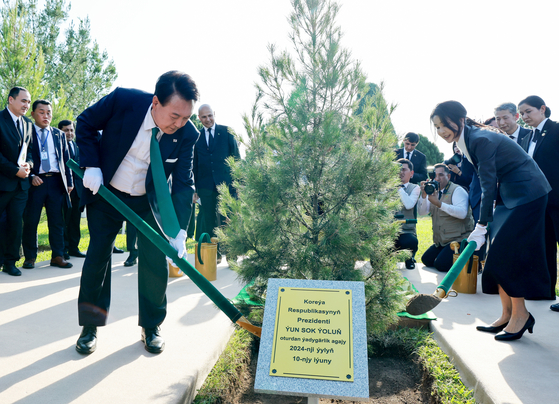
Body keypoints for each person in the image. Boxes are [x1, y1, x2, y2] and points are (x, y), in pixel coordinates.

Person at [75, 71, 200, 355]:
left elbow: (183, 183)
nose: (179, 124)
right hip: (107, 192)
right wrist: (91, 164)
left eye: (185, 118)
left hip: (147, 201)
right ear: (156, 102)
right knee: (97, 257)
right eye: (174, 116)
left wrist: (179, 230)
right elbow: (85, 123)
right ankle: (90, 327)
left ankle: (152, 326)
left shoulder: (187, 134)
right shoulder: (124, 101)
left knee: (155, 261)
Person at [432, 100, 551, 341]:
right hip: (510, 196)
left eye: (444, 124)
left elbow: (488, 184)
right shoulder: (465, 140)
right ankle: (507, 313)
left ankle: (521, 314)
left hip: (528, 193)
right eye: (436, 127)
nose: (441, 130)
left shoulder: (479, 140)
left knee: (505, 255)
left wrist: (482, 223)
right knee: (497, 255)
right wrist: (485, 221)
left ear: (460, 120)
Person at [518, 96, 559, 306]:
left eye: (528, 112)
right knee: (545, 248)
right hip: (538, 202)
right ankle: (545, 290)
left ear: (542, 109)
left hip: (558, 200)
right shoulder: (525, 138)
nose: (524, 117)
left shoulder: (556, 130)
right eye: (522, 114)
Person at [22, 101, 73, 269]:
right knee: (31, 221)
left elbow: (66, 161)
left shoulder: (58, 134)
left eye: (49, 113)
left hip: (56, 182)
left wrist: (69, 183)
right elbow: (22, 158)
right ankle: (30, 257)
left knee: (57, 221)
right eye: (41, 112)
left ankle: (58, 255)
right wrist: (31, 176)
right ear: (33, 114)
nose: (46, 116)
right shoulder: (26, 133)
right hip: (36, 182)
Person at [193, 104, 240, 262]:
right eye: (204, 117)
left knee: (227, 218)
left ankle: (231, 254)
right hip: (205, 187)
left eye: (210, 116)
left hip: (226, 185)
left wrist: (238, 184)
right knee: (209, 220)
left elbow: (237, 160)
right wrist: (194, 189)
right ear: (199, 118)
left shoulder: (227, 133)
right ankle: (216, 253)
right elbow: (194, 165)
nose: (208, 119)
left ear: (214, 114)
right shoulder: (196, 136)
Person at [0, 87, 34, 276]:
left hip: (21, 187)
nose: (26, 105)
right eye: (23, 101)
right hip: (3, 182)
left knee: (15, 224)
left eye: (28, 102)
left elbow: (30, 152)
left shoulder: (28, 124)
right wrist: (15, 171)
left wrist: (28, 165)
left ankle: (10, 262)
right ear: (11, 100)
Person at [418, 163, 475, 272]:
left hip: (459, 240)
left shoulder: (457, 190)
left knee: (441, 265)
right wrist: (424, 196)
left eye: (441, 175)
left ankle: (465, 257)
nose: (437, 178)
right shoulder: (434, 191)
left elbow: (462, 213)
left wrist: (439, 204)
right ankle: (447, 255)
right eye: (435, 175)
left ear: (448, 176)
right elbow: (422, 212)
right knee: (426, 260)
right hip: (442, 241)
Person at [59, 120, 86, 259]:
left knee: (75, 220)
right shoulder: (58, 146)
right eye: (66, 130)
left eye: (71, 130)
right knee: (64, 219)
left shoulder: (77, 146)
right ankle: (63, 249)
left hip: (78, 189)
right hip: (64, 189)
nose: (69, 133)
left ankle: (74, 248)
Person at [395, 158, 420, 269]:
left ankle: (409, 258)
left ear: (411, 173)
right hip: (389, 231)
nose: (401, 172)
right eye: (398, 170)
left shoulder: (415, 188)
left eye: (404, 170)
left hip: (406, 230)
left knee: (410, 241)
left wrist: (398, 188)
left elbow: (409, 205)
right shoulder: (387, 188)